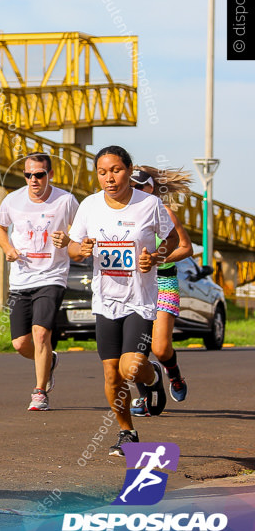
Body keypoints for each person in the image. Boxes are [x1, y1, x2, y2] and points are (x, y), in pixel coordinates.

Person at [68, 146, 179, 457]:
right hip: (105, 301)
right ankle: (127, 432)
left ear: (129, 170)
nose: (109, 178)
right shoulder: (89, 206)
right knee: (111, 373)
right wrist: (83, 249)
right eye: (102, 172)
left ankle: (153, 375)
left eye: (115, 170)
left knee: (131, 368)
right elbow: (73, 249)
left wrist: (155, 258)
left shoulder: (149, 204)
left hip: (139, 300)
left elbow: (170, 240)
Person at [0, 152, 79, 412]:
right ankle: (48, 360)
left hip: (52, 275)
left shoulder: (65, 200)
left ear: (50, 175)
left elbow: (82, 229)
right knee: (20, 344)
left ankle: (40, 392)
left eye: (39, 174)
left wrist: (68, 239)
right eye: (29, 175)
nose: (34, 180)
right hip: (21, 278)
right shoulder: (13, 200)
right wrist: (7, 247)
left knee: (41, 333)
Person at [128, 166, 194, 416]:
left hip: (163, 282)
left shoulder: (164, 212)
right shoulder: (119, 214)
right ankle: (145, 397)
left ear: (150, 188)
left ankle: (174, 374)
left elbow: (186, 248)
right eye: (130, 186)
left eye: (139, 186)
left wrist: (157, 258)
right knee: (133, 349)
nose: (134, 191)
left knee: (161, 348)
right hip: (133, 286)